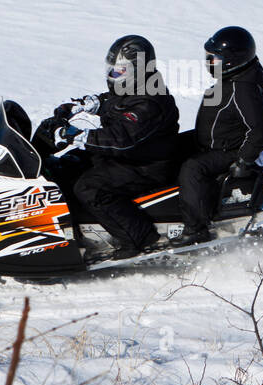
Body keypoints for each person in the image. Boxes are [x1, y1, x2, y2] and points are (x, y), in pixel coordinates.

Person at [46, 35, 179, 260]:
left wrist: (76, 135)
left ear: (137, 69)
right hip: (131, 158)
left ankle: (139, 238)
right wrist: (87, 104)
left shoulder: (151, 101)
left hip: (145, 166)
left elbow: (122, 138)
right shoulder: (138, 88)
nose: (112, 76)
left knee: (90, 187)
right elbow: (117, 102)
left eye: (118, 71)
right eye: (111, 70)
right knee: (68, 165)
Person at [175, 26, 263, 246]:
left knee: (193, 167)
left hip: (232, 152)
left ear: (230, 60)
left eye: (214, 58)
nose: (209, 62)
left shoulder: (243, 89)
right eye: (208, 57)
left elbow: (259, 131)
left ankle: (196, 229)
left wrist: (244, 160)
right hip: (218, 143)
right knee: (170, 147)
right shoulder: (234, 80)